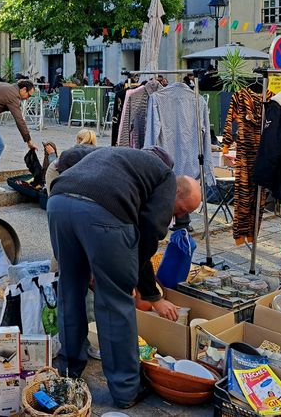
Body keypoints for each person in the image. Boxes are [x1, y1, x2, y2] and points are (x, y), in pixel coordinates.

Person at [46, 148, 202, 408]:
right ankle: (126, 390)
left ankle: (68, 371)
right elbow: (148, 236)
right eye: (181, 210)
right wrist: (146, 290)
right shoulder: (166, 178)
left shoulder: (125, 159)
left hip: (59, 202)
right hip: (101, 211)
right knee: (115, 303)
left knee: (70, 289)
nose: (176, 217)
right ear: (177, 192)